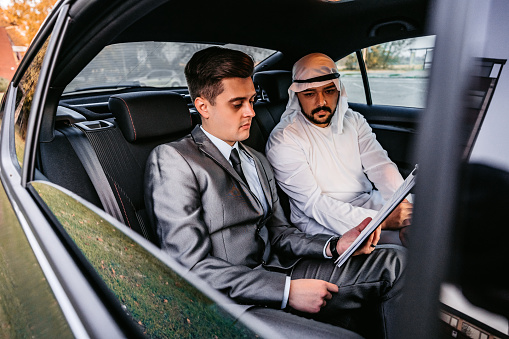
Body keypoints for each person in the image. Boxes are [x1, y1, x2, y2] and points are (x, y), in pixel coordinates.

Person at [145, 47, 405, 338]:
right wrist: (285, 291)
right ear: (204, 107)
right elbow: (189, 268)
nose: (251, 112)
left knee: (396, 261)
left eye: (252, 100)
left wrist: (333, 246)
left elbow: (280, 233)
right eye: (237, 104)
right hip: (232, 301)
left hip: (281, 269)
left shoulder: (255, 159)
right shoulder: (174, 160)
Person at [266, 53, 413, 239]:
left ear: (339, 90)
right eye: (310, 94)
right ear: (296, 96)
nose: (321, 102)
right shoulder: (284, 139)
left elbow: (381, 166)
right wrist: (381, 221)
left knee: (431, 213)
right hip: (322, 222)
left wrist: (403, 207)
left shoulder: (354, 120)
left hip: (367, 201)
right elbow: (314, 204)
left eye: (328, 91)